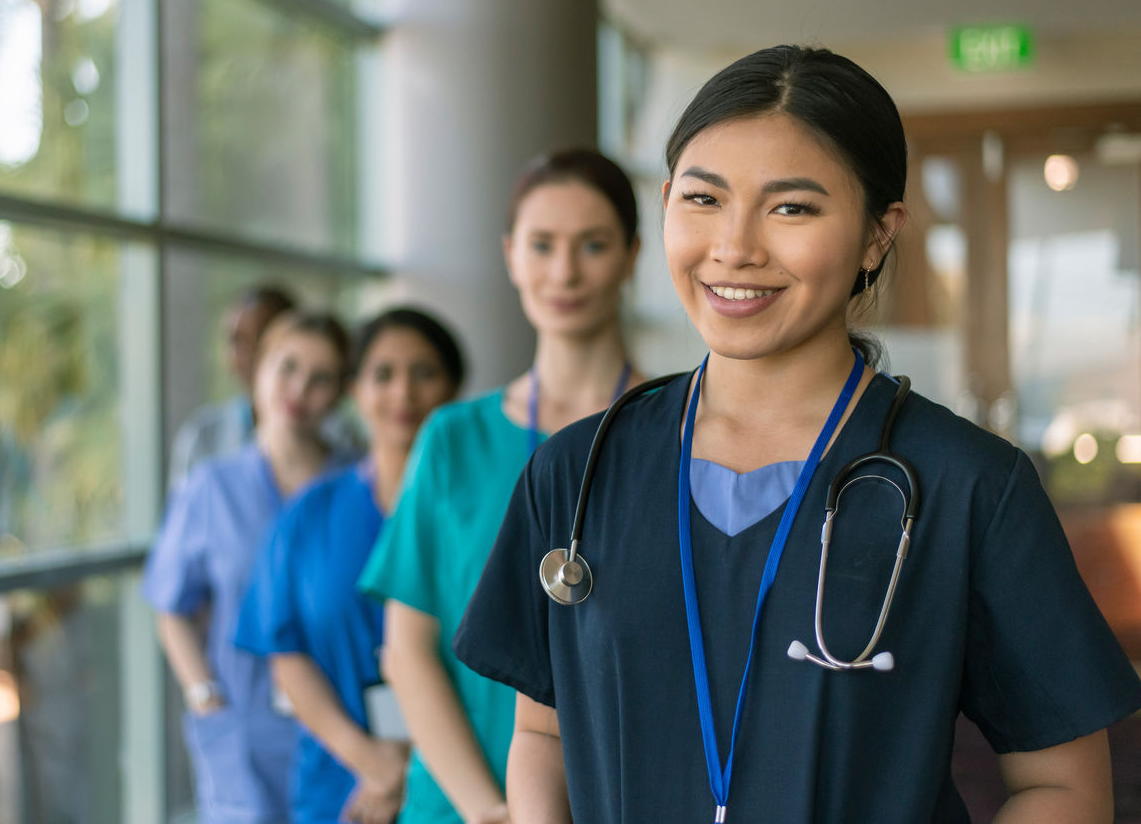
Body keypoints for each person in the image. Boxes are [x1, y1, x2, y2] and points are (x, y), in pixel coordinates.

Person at [452, 45, 1141, 824]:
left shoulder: (969, 483)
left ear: (879, 235)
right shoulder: (578, 468)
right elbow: (543, 730)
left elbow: (1064, 786)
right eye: (703, 199)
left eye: (792, 208)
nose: (735, 247)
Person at [357, 149, 646, 824]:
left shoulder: (676, 434)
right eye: (541, 245)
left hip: (615, 797)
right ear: (511, 255)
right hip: (459, 803)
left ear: (633, 256)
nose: (564, 271)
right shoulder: (452, 439)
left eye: (593, 245)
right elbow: (408, 649)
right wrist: (487, 808)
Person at [233, 307, 467, 824]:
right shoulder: (309, 515)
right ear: (355, 389)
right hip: (340, 789)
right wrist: (373, 762)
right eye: (382, 374)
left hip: (462, 783)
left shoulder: (484, 517)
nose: (403, 394)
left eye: (424, 373)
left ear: (454, 390)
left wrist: (413, 770)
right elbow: (284, 652)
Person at [143, 310, 351, 824]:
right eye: (287, 367)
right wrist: (204, 696)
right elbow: (170, 606)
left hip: (343, 729)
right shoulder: (211, 487)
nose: (299, 389)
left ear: (342, 392)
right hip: (241, 725)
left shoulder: (359, 485)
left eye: (321, 378)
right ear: (257, 369)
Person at [169, 285, 296, 490]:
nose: (248, 355)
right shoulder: (204, 437)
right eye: (237, 341)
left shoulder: (339, 440)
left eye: (261, 339)